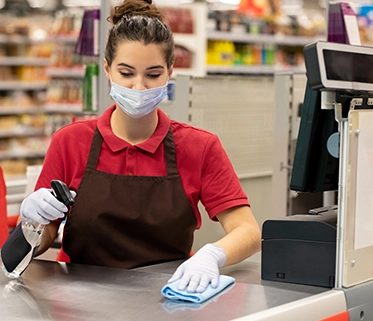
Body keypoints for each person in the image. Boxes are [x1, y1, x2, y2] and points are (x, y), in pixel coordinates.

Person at [18, 0, 261, 293]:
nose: (139, 87)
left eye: (153, 74)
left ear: (171, 72)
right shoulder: (70, 142)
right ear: (107, 69)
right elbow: (43, 238)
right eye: (126, 73)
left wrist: (212, 255)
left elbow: (248, 231)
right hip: (76, 299)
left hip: (167, 296)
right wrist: (32, 223)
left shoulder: (199, 146)